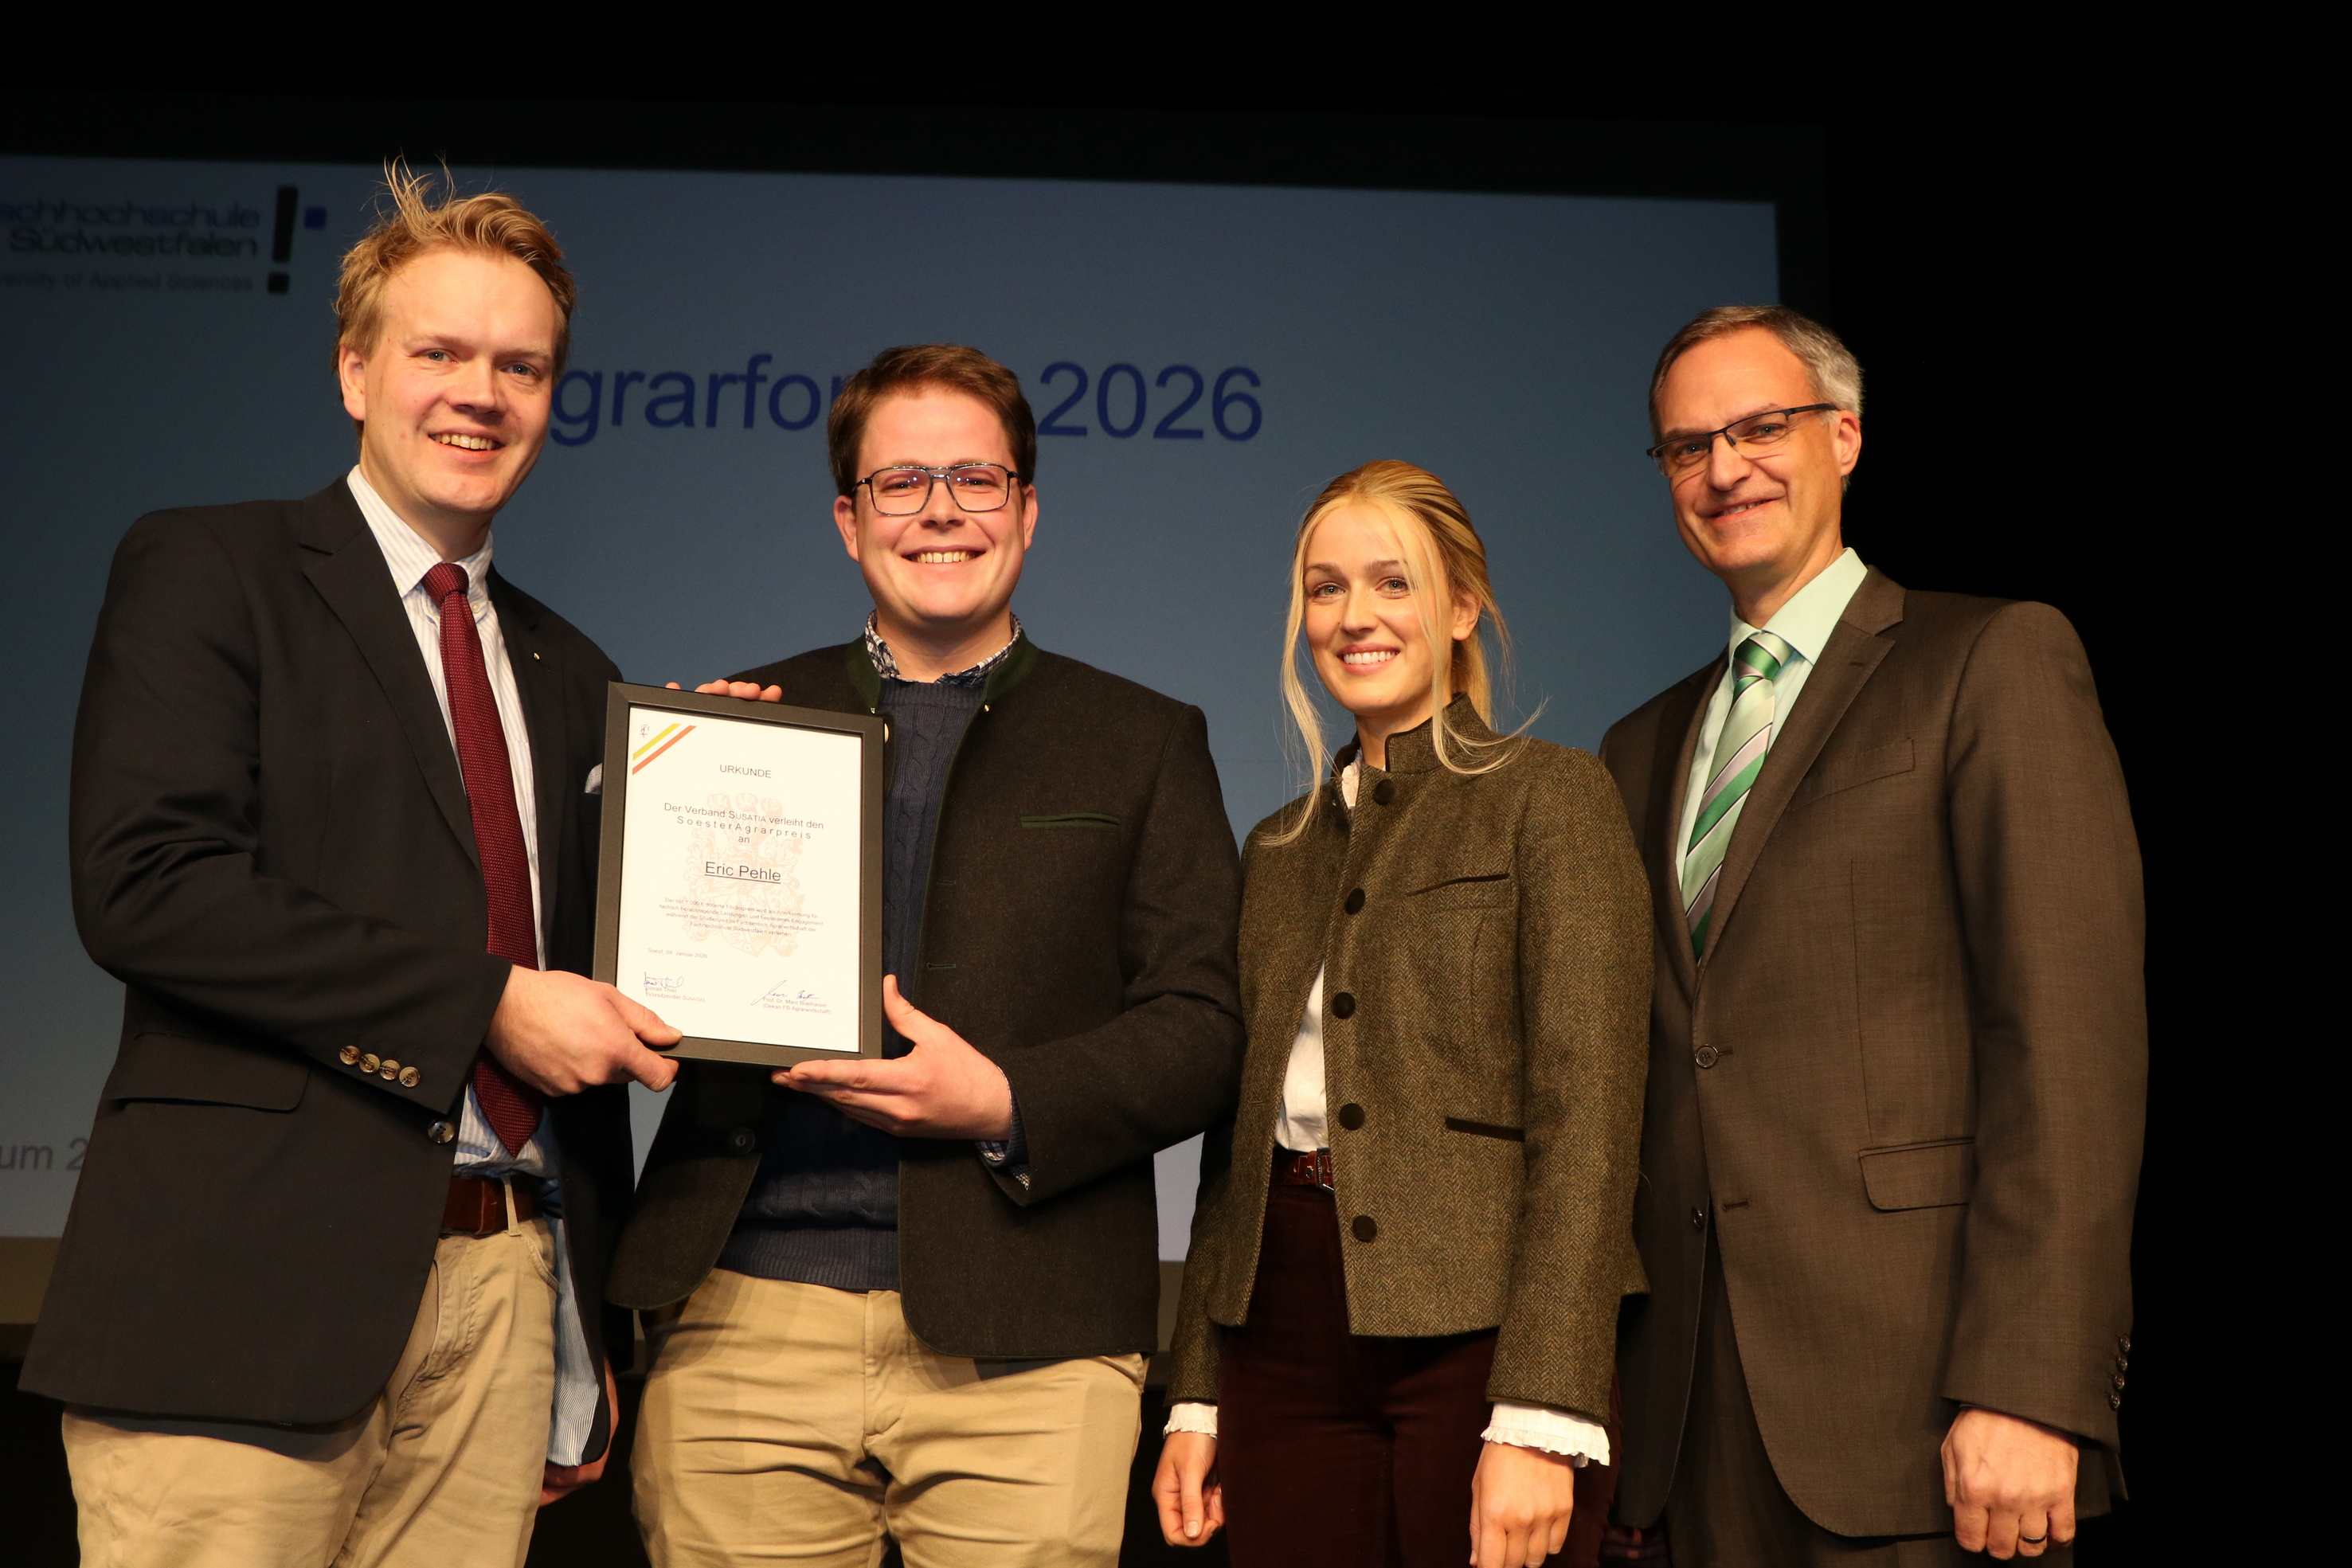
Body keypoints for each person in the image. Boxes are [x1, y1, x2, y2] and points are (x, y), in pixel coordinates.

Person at [22, 166, 681, 1568]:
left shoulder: (575, 672)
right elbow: (147, 882)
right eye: (438, 352)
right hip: (240, 1295)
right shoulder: (213, 567)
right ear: (354, 371)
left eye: (521, 365)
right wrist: (484, 1001)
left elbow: (600, 981)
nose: (479, 394)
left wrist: (714, 788)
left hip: (507, 1285)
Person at [610, 342, 1246, 1568]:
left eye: (976, 479)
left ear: (1028, 510)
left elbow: (1203, 1029)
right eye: (901, 482)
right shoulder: (742, 719)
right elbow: (635, 983)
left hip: (1031, 1334)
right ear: (849, 520)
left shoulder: (1142, 738)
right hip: (745, 1314)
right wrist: (663, 807)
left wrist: (1006, 1098)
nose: (941, 510)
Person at [1598, 306, 2144, 1565]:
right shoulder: (1637, 748)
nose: (1722, 467)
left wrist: (2031, 1380)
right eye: (1686, 447)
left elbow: (2069, 1045)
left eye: (1757, 427)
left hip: (1932, 1415)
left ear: (1843, 436)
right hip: (1690, 1426)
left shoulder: (1990, 659)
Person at [1151, 460, 1652, 1568]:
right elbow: (1228, 1158)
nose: (1353, 616)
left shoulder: (1552, 798)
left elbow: (1594, 1119)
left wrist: (1540, 1405)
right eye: (1324, 589)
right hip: (1277, 1330)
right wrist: (1194, 1392)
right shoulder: (1273, 849)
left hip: (1486, 1334)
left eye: (1392, 582)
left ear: (1462, 604)